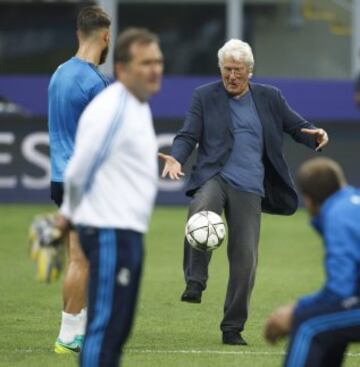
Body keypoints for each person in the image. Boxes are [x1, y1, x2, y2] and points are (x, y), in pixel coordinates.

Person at [159, 39, 329, 346]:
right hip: (215, 176)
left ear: (249, 71)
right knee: (201, 210)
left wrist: (315, 136)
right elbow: (188, 134)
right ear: (220, 69)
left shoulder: (270, 97)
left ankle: (232, 328)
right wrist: (177, 156)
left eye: (238, 70)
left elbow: (297, 126)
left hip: (250, 185)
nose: (232, 76)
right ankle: (195, 281)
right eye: (227, 69)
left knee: (245, 260)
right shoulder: (204, 96)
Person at [52, 27, 163, 366]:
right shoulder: (113, 108)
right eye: (144, 63)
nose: (154, 69)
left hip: (127, 230)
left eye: (158, 61)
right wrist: (66, 216)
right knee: (105, 329)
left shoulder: (136, 105)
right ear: (122, 69)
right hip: (110, 230)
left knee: (116, 328)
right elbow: (79, 167)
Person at [47, 5, 111, 353]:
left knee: (78, 258)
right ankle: (69, 334)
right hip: (86, 180)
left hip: (60, 176)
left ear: (78, 34)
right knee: (82, 259)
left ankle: (77, 326)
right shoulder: (96, 82)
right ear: (105, 36)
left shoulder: (59, 73)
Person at [264, 157, 360, 367]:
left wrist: (296, 310)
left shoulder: (337, 215)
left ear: (307, 199)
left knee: (308, 324)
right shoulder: (352, 202)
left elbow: (339, 291)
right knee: (329, 324)